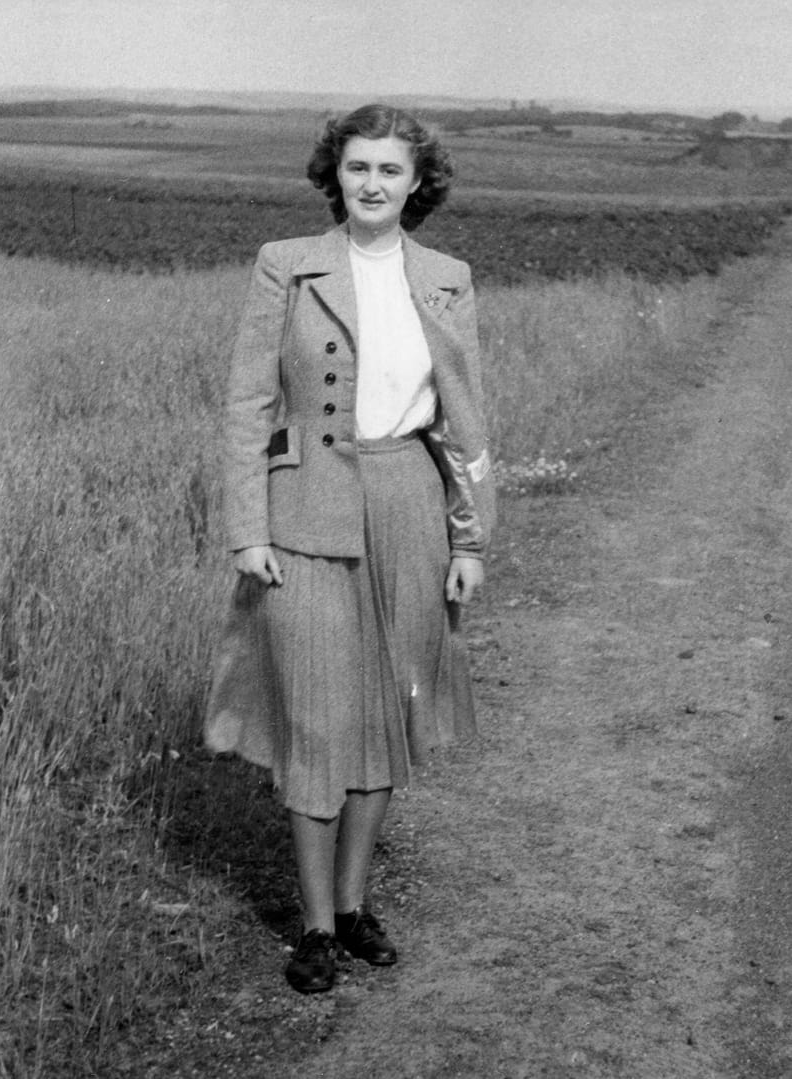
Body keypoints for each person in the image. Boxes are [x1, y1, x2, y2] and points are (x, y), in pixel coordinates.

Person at [205, 103, 495, 994]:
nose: (371, 184)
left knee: (389, 714)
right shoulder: (285, 267)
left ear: (417, 184)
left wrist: (470, 537)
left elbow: (463, 417)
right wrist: (248, 528)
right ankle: (315, 926)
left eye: (390, 171)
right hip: (306, 512)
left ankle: (358, 905)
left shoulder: (446, 277)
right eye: (358, 168)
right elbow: (249, 404)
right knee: (320, 717)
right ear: (335, 174)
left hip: (407, 502)